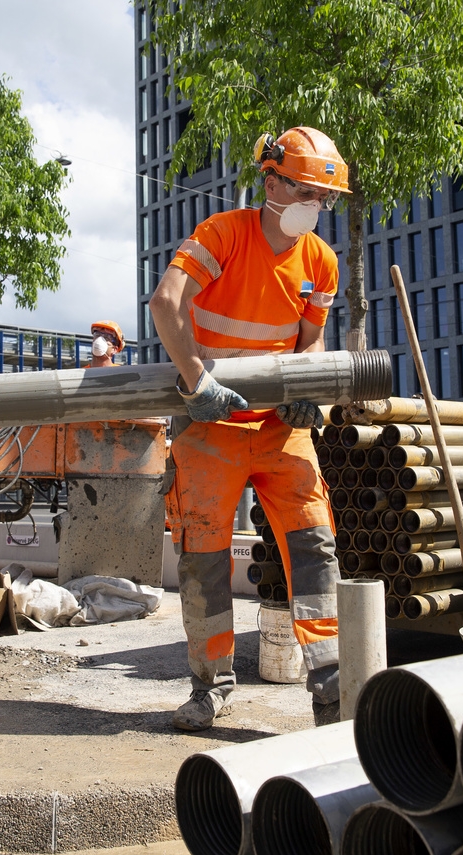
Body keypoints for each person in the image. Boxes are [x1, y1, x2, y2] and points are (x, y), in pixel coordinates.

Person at [149, 127, 348, 730]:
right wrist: (196, 382)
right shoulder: (223, 235)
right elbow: (167, 302)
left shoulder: (321, 261)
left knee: (315, 550)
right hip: (210, 424)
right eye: (307, 191)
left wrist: (308, 392)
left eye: (326, 198)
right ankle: (210, 688)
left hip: (279, 429)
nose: (316, 207)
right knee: (203, 558)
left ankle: (333, 693)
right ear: (272, 180)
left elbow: (310, 342)